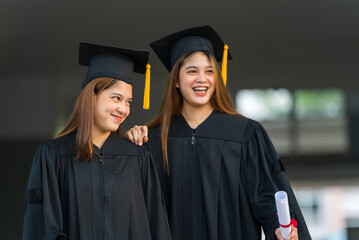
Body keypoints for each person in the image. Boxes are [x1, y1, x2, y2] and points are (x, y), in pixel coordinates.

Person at [125, 26, 311, 239]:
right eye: (192, 71)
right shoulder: (154, 140)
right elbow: (138, 207)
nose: (202, 79)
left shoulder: (245, 134)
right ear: (176, 80)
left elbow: (267, 197)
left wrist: (279, 228)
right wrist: (130, 145)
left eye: (209, 71)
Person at [22, 42, 171, 240]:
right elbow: (41, 226)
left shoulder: (137, 157)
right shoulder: (53, 155)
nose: (124, 109)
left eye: (128, 102)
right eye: (116, 98)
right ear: (92, 96)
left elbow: (157, 226)